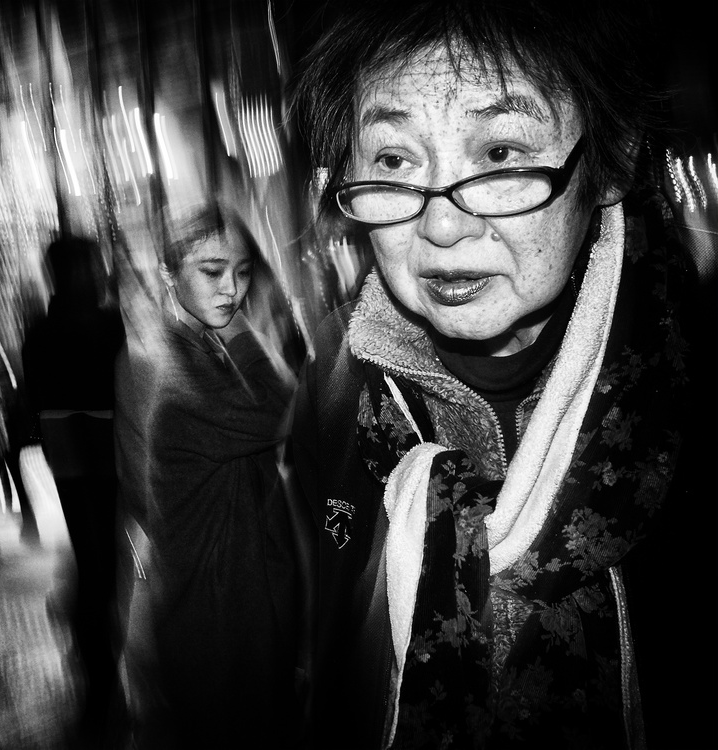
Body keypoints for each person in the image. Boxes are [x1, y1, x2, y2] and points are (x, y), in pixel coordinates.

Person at [289, 1, 711, 747]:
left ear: (610, 161)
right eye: (393, 160)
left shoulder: (686, 391)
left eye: (501, 155)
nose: (442, 226)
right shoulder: (336, 395)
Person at [115, 202, 304, 749]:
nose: (232, 289)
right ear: (170, 274)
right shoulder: (181, 379)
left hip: (230, 599)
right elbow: (282, 409)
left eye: (243, 272)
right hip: (214, 617)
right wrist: (245, 328)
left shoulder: (197, 348)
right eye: (212, 271)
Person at [21, 234, 128, 749]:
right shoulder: (106, 323)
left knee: (93, 560)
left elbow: (34, 393)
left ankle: (98, 670)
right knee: (103, 563)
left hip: (69, 452)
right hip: (102, 449)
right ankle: (106, 671)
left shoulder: (42, 328)